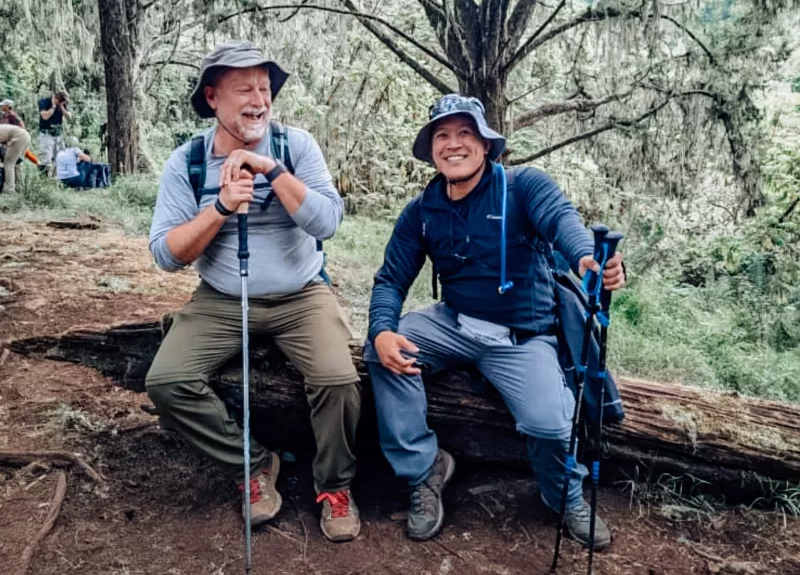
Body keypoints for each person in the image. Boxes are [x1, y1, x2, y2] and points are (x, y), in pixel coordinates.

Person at [364, 94, 626, 547]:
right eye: (442, 136)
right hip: (454, 323)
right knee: (382, 349)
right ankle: (424, 471)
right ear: (430, 150)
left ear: (486, 145)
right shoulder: (422, 211)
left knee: (548, 423)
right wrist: (383, 329)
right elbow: (391, 278)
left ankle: (564, 496)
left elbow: (561, 220)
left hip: (523, 339)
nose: (453, 144)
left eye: (465, 133)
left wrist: (586, 257)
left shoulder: (523, 187)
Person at [145, 40, 361, 542]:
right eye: (245, 88)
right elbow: (166, 254)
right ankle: (253, 463)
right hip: (221, 296)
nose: (259, 99)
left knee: (337, 381)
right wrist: (219, 209)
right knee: (167, 380)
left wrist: (273, 172)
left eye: (265, 88)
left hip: (302, 295)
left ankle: (334, 486)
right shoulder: (188, 162)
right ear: (213, 96)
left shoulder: (295, 146)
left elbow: (328, 222)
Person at [38, 91, 71, 175]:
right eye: (59, 101)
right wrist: (53, 106)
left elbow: (69, 118)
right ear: (55, 98)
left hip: (58, 134)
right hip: (46, 133)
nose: (60, 103)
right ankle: (43, 180)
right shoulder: (44, 102)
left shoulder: (62, 104)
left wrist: (62, 107)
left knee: (60, 158)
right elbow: (45, 116)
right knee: (46, 158)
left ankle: (56, 178)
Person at [0, 123, 31, 194]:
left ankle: (9, 190)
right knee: (17, 163)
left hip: (18, 137)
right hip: (26, 136)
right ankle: (19, 188)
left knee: (8, 163)